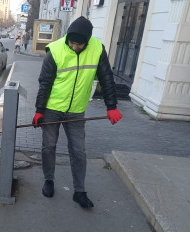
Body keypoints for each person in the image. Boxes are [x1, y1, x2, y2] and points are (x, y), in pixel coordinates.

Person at [32, 16, 122, 208]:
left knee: (79, 151)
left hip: (76, 111)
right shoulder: (55, 50)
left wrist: (111, 106)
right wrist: (39, 111)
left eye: (79, 45)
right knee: (49, 146)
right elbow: (44, 83)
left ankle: (79, 191)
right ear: (67, 39)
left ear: (87, 42)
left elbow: (107, 78)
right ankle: (49, 181)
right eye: (72, 43)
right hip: (52, 108)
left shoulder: (97, 49)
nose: (75, 47)